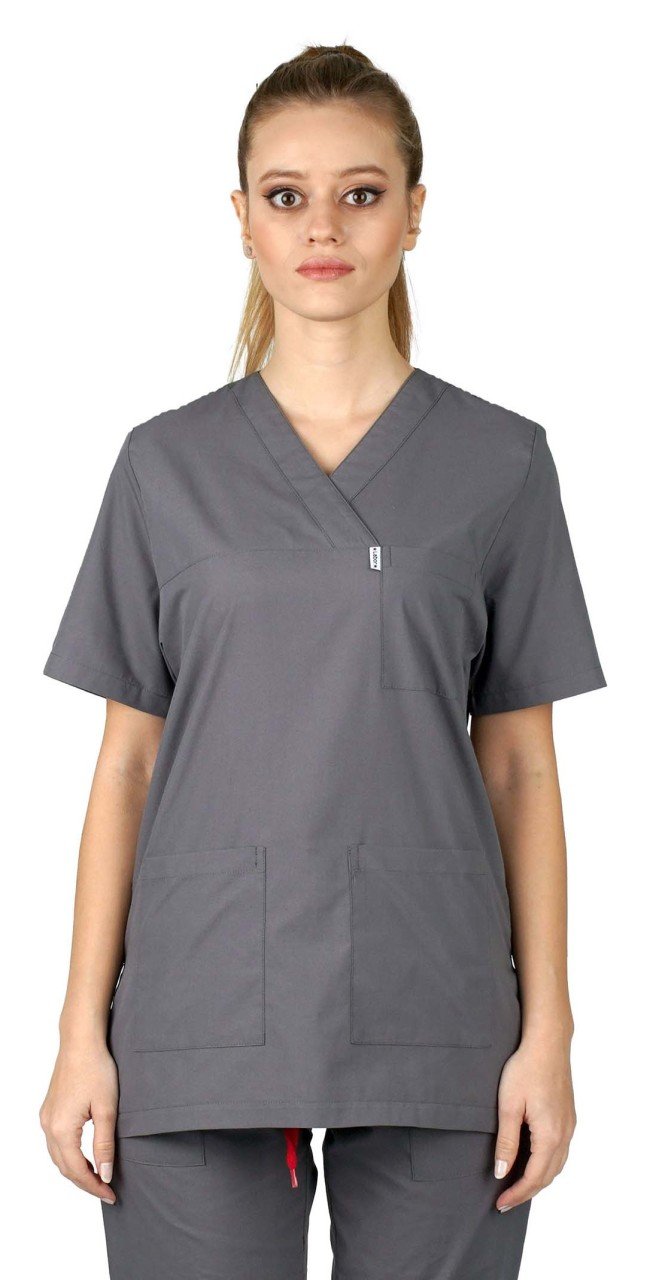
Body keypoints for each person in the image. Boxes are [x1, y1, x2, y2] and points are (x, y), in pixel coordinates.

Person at [38, 41, 607, 1280]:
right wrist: (80, 1029)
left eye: (361, 192)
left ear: (414, 211)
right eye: (285, 194)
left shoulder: (500, 465)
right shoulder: (163, 467)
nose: (322, 227)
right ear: (241, 217)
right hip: (196, 1005)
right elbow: (126, 764)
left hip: (435, 1003)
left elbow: (521, 767)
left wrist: (548, 1031)